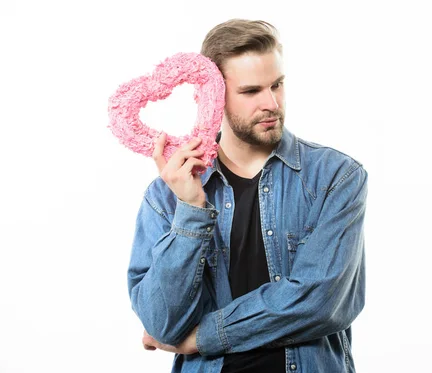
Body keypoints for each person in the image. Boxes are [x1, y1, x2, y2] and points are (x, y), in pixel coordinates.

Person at [127, 19, 368, 373]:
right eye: (251, 91)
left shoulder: (335, 177)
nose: (271, 103)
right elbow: (161, 323)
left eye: (278, 85)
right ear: (212, 97)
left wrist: (202, 337)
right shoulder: (166, 195)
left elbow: (319, 300)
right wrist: (191, 210)